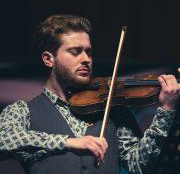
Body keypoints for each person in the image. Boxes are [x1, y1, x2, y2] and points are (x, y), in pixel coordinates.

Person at [0, 14, 179, 174]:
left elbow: (138, 165)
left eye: (88, 52)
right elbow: (4, 140)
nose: (86, 59)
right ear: (49, 59)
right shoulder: (23, 111)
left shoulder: (112, 107)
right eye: (75, 52)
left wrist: (166, 109)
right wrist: (68, 142)